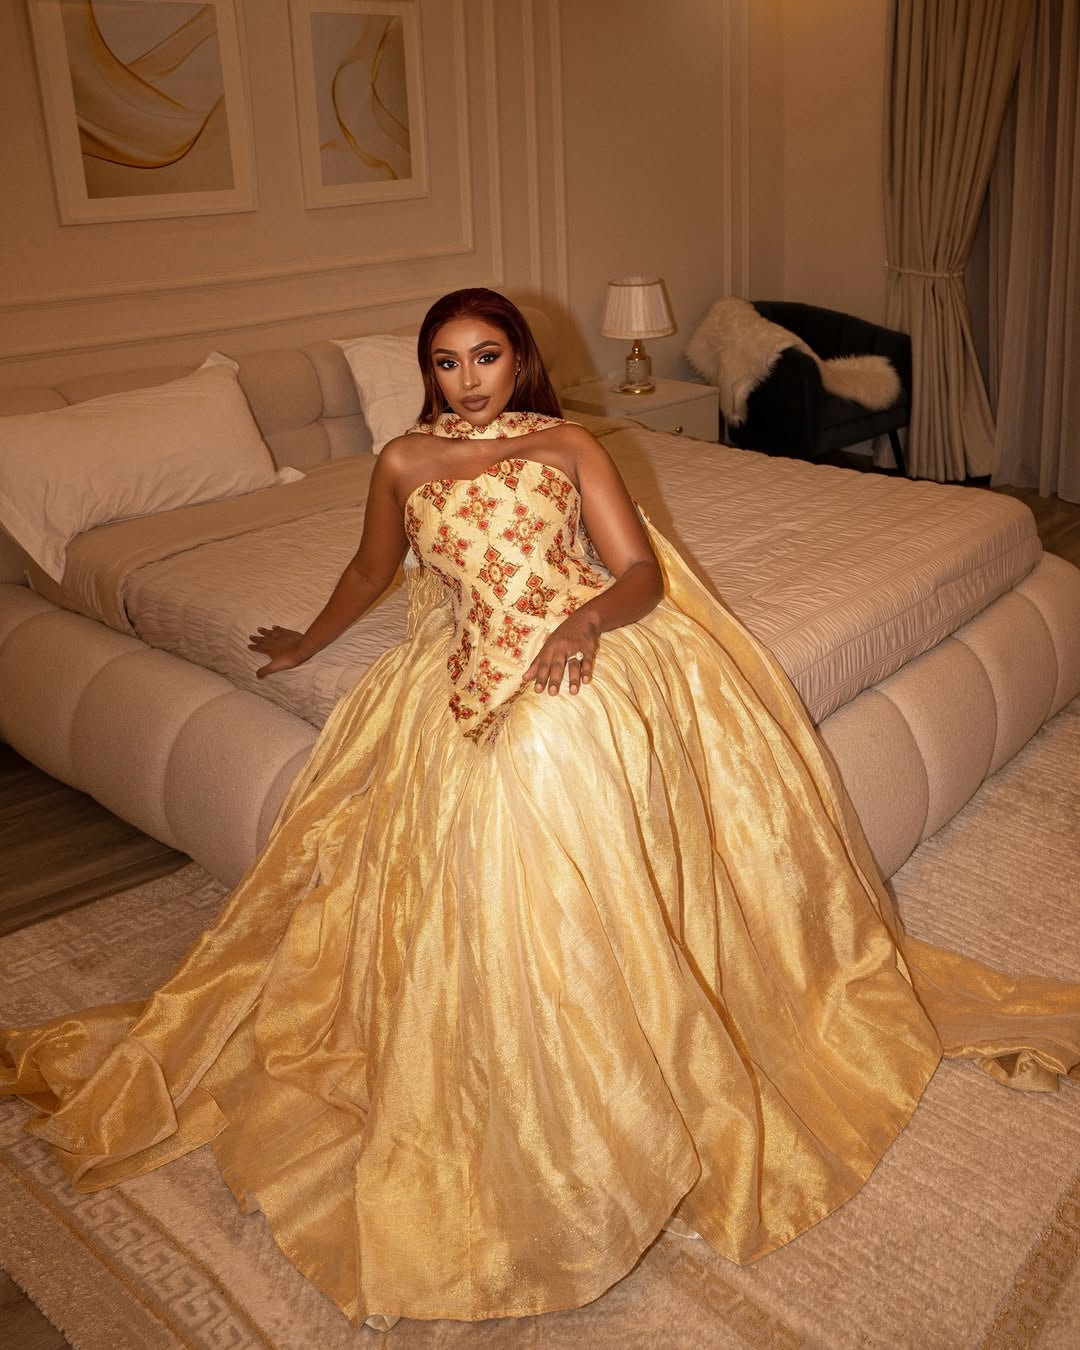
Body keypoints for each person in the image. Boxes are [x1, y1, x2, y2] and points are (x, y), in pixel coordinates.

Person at [2, 289, 1078, 1330]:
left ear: (518, 360)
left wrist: (585, 628)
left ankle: (614, 1054)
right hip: (469, 661)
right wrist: (306, 643)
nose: (467, 381)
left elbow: (643, 574)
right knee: (501, 783)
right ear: (427, 374)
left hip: (589, 641)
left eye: (486, 356)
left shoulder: (569, 448)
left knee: (557, 746)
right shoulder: (401, 461)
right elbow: (373, 567)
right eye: (445, 361)